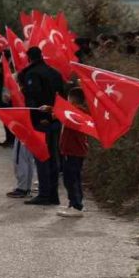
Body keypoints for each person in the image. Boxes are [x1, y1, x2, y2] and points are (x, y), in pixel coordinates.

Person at [18, 46, 66, 206]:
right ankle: (53, 195)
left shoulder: (33, 74)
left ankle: (45, 194)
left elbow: (34, 98)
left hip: (42, 121)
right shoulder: (55, 73)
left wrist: (40, 118)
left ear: (29, 58)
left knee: (42, 157)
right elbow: (63, 96)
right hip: (55, 118)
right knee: (54, 157)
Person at [54, 87, 89, 217]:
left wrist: (57, 111)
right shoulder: (75, 112)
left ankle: (76, 206)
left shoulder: (77, 112)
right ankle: (74, 203)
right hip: (73, 150)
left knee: (71, 179)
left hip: (73, 150)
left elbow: (67, 117)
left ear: (72, 99)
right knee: (74, 177)